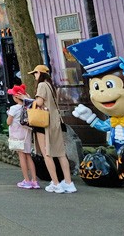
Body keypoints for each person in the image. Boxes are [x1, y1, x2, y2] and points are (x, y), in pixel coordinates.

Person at [30, 64, 76, 193]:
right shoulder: (51, 86)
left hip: (44, 122)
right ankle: (68, 182)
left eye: (35, 73)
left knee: (47, 153)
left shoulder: (41, 85)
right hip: (56, 121)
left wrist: (29, 101)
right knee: (61, 153)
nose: (34, 76)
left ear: (40, 73)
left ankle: (55, 183)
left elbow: (39, 103)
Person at [7, 84, 38, 189]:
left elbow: (8, 122)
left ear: (16, 97)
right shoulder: (28, 106)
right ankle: (34, 180)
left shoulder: (13, 108)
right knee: (28, 155)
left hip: (17, 135)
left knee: (22, 157)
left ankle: (27, 180)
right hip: (27, 134)